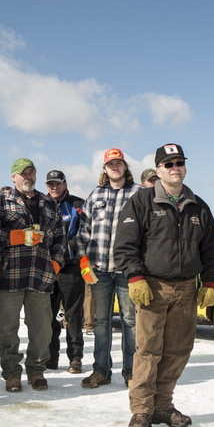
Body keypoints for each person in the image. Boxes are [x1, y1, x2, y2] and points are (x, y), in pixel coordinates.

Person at [115, 143, 214, 427]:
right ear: (158, 169)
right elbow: (125, 245)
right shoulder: (141, 201)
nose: (175, 168)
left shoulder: (198, 205)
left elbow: (211, 248)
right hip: (152, 287)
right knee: (148, 350)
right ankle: (141, 410)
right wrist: (135, 277)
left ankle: (163, 405)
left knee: (178, 350)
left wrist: (210, 282)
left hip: (187, 289)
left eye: (179, 163)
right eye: (169, 164)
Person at [0, 159, 65, 392]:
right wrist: (15, 237)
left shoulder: (47, 202)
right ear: (13, 177)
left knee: (42, 330)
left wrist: (56, 263)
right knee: (7, 329)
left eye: (32, 172)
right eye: (23, 174)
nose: (28, 177)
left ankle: (36, 370)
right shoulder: (2, 201)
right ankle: (12, 373)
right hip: (9, 274)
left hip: (40, 274)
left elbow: (60, 237)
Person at [77, 148, 139, 388]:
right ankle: (101, 371)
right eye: (110, 164)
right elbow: (83, 231)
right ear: (104, 169)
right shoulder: (95, 196)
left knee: (130, 321)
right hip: (100, 269)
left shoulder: (139, 194)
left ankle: (131, 372)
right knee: (101, 321)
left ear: (125, 166)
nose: (115, 167)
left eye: (119, 163)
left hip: (127, 270)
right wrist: (84, 261)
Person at [44, 170, 86, 374]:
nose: (53, 187)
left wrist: (76, 249)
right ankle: (50, 357)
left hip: (71, 267)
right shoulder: (41, 203)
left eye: (57, 183)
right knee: (48, 315)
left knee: (73, 315)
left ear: (65, 183)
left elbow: (87, 231)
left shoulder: (78, 203)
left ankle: (75, 357)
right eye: (50, 184)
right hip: (48, 267)